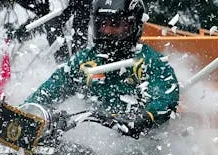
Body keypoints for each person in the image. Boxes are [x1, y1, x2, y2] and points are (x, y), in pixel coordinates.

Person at [25, 0, 179, 139]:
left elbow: (165, 98)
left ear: (134, 25)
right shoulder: (84, 61)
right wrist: (28, 111)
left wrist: (141, 118)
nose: (107, 31)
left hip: (138, 143)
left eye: (115, 24)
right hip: (91, 137)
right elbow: (52, 87)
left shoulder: (149, 61)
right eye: (102, 24)